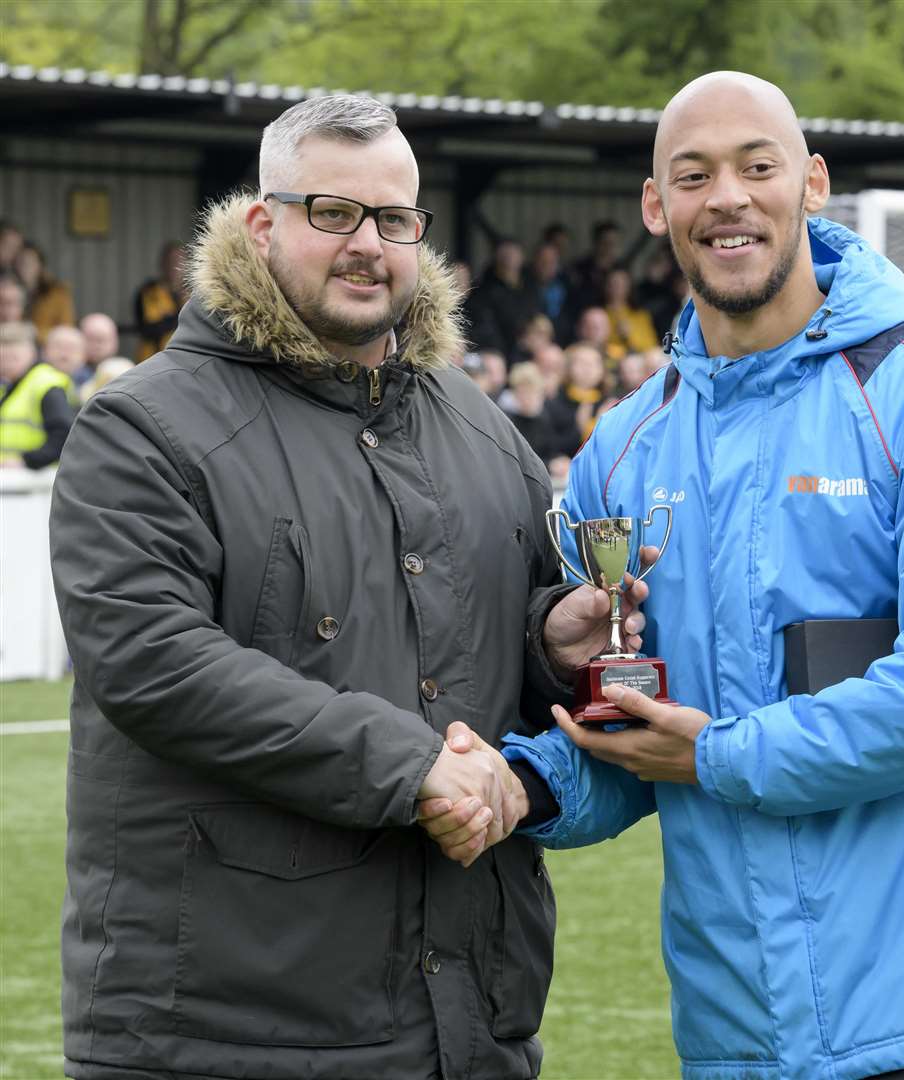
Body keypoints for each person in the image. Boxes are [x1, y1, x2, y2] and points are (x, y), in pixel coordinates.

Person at [421, 72, 904, 1079]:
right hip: (735, 1024)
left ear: (813, 184)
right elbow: (637, 723)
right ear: (656, 207)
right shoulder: (623, 453)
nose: (730, 197)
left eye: (760, 166)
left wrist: (716, 755)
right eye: (695, 174)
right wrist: (519, 783)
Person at [49, 93, 647, 1080]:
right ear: (261, 221)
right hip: (222, 1032)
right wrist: (412, 768)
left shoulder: (480, 426)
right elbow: (155, 664)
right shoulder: (144, 429)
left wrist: (558, 640)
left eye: (395, 219)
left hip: (468, 1020)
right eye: (333, 213)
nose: (368, 244)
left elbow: (510, 641)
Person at [0, 320, 74, 469]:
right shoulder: (8, 386)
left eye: (13, 356)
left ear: (32, 352)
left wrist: (25, 461)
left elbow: (65, 435)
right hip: (15, 482)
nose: (6, 361)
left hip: (38, 484)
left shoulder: (45, 383)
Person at [133, 240, 187, 361]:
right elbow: (149, 328)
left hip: (183, 360)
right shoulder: (149, 291)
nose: (175, 266)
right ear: (162, 263)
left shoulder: (194, 293)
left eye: (179, 261)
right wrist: (179, 316)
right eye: (171, 261)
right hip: (151, 360)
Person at [14, 243, 75, 342]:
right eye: (20, 262)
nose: (24, 267)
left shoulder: (58, 292)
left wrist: (36, 333)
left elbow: (67, 329)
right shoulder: (7, 292)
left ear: (40, 265)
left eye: (29, 263)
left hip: (48, 348)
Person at [603, 267, 659, 355]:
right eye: (614, 284)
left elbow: (651, 346)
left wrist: (630, 335)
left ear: (629, 287)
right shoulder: (599, 314)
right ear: (606, 286)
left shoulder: (640, 315)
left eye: (622, 284)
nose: (617, 288)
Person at [43, 324, 91, 390]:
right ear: (45, 350)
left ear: (84, 355)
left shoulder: (92, 384)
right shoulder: (34, 378)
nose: (64, 352)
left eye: (71, 347)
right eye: (58, 346)